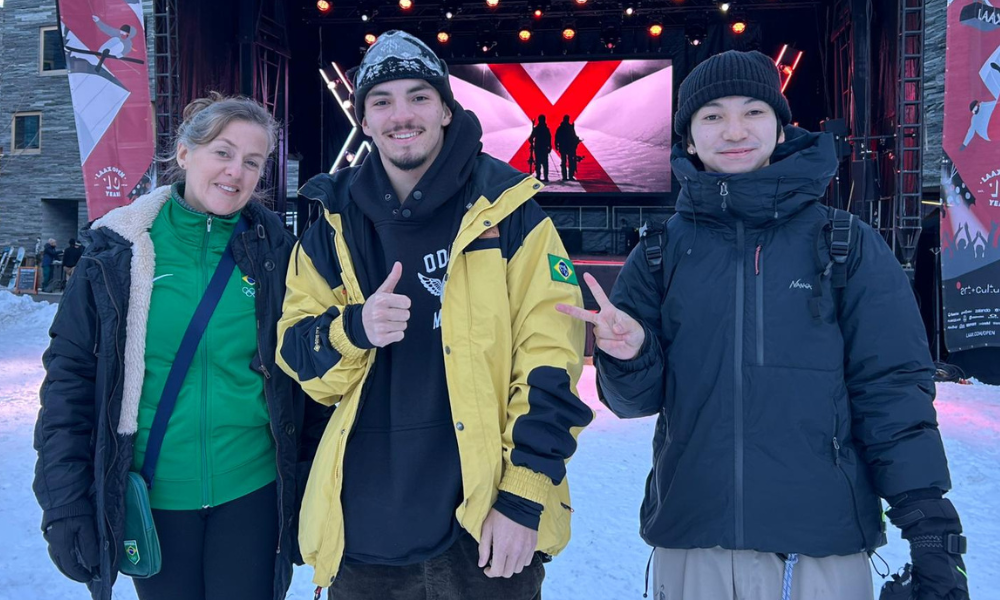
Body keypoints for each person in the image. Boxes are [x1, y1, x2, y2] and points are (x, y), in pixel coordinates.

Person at [557, 50, 969, 600]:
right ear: (686, 139)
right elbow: (634, 401)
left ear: (780, 126)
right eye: (711, 116)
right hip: (693, 543)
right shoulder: (657, 255)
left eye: (752, 111)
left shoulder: (844, 245)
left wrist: (930, 528)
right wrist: (628, 356)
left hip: (821, 550)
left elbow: (892, 393)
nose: (733, 130)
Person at [277, 30, 592, 599]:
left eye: (419, 96)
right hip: (364, 537)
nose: (402, 115)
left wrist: (522, 498)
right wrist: (354, 329)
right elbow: (299, 356)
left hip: (486, 532)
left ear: (447, 109)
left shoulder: (512, 211)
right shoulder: (331, 223)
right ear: (364, 121)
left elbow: (552, 363)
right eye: (382, 101)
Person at [34, 93, 327, 600]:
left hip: (253, 494)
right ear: (186, 153)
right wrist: (64, 502)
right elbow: (69, 382)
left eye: (252, 162)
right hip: (155, 497)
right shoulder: (118, 252)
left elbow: (307, 378)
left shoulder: (279, 254)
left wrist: (312, 482)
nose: (236, 171)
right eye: (223, 151)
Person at [554, 116, 579, 181]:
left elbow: (557, 137)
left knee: (564, 162)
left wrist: (556, 145)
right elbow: (574, 136)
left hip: (563, 147)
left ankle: (565, 176)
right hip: (569, 147)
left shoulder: (561, 128)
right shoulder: (570, 128)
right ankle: (570, 176)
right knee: (570, 161)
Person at [529, 115, 552, 181]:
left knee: (539, 162)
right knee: (544, 163)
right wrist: (549, 146)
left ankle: (539, 176)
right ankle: (545, 177)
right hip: (543, 148)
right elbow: (549, 138)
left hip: (538, 148)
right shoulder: (546, 129)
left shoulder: (537, 129)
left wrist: (532, 144)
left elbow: (530, 138)